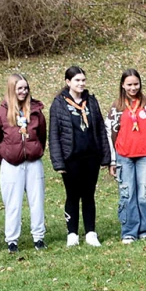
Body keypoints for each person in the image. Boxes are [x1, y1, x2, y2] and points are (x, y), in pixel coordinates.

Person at [49, 65, 112, 247]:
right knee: (72, 195)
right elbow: (54, 134)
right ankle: (72, 234)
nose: (81, 83)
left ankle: (91, 233)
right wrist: (58, 161)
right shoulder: (59, 104)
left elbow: (100, 128)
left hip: (91, 157)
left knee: (89, 195)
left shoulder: (91, 101)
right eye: (77, 80)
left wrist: (105, 156)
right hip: (71, 158)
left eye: (83, 80)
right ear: (68, 82)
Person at [0, 73, 47, 252]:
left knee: (37, 201)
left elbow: (42, 136)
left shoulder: (36, 112)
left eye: (25, 88)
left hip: (33, 162)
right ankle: (12, 239)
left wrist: (35, 149)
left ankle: (39, 237)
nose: (23, 91)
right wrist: (7, 156)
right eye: (19, 88)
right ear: (12, 89)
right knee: (12, 203)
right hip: (11, 164)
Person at [108, 69, 146, 243]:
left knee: (144, 195)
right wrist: (112, 160)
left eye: (136, 84)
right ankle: (129, 231)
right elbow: (109, 134)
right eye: (129, 84)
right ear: (123, 85)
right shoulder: (116, 107)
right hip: (124, 156)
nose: (133, 88)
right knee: (127, 194)